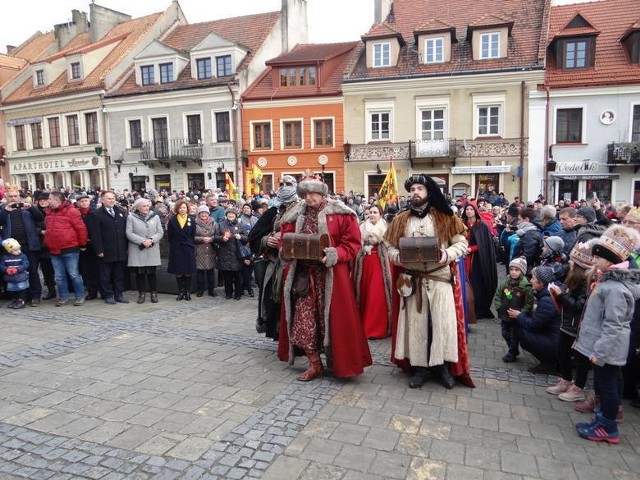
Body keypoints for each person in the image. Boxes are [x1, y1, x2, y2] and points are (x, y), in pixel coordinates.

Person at [277, 171, 372, 381]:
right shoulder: (295, 214)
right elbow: (285, 239)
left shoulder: (341, 214)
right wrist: (285, 248)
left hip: (331, 277)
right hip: (303, 277)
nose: (308, 197)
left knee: (335, 321)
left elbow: (353, 244)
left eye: (313, 193)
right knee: (304, 320)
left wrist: (335, 254)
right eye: (305, 193)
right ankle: (314, 364)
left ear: (322, 193)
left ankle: (340, 362)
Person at [384, 174, 473, 389]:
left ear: (428, 192)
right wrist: (397, 256)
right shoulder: (400, 219)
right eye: (412, 189)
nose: (415, 192)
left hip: (440, 279)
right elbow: (389, 246)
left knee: (441, 325)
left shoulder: (446, 217)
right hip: (413, 282)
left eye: (419, 189)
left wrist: (447, 255)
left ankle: (442, 367)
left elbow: (461, 243)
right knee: (417, 326)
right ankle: (420, 368)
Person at [573, 225, 640, 444]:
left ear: (610, 260)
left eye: (597, 258)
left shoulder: (614, 289)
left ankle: (608, 427)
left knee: (609, 386)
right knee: (605, 384)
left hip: (607, 350)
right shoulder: (608, 281)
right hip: (603, 348)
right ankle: (601, 420)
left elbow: (614, 325)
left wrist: (599, 352)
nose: (593, 261)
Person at [248, 175, 299, 340]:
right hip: (275, 264)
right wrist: (265, 240)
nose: (284, 187)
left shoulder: (303, 208)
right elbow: (254, 234)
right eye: (281, 184)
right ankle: (280, 335)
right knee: (274, 301)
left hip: (297, 265)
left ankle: (298, 337)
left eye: (289, 184)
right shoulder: (273, 210)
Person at [546, 241, 594, 403]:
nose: (569, 262)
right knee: (562, 352)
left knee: (580, 359)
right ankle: (566, 379)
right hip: (566, 324)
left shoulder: (584, 284)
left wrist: (561, 295)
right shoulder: (572, 279)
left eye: (573, 261)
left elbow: (578, 306)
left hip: (576, 327)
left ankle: (579, 388)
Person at [508, 266, 560, 373]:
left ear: (541, 283)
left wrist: (518, 315)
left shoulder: (546, 300)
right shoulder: (547, 294)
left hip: (554, 344)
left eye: (533, 278)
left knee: (520, 331)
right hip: (553, 338)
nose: (530, 280)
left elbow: (533, 325)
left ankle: (549, 362)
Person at [0, 185, 44, 306]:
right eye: (10, 197)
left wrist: (31, 208)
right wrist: (5, 211)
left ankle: (35, 296)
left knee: (33, 271)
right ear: (6, 197)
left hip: (29, 245)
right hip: (11, 248)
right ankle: (21, 296)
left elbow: (40, 218)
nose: (13, 199)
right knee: (15, 273)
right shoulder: (3, 208)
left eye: (15, 196)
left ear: (19, 196)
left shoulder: (26, 207)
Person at [354, 203, 392, 339]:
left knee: (377, 295)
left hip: (381, 264)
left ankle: (376, 328)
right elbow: (356, 244)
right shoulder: (361, 227)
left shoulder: (386, 228)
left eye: (375, 212)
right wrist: (363, 248)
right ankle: (363, 326)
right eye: (370, 212)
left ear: (381, 214)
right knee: (365, 293)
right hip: (365, 264)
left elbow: (391, 246)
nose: (372, 215)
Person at [43, 191, 88, 306]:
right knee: (59, 276)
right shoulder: (49, 211)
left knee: (74, 274)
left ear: (57, 200)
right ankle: (63, 297)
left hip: (70, 248)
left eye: (50, 199)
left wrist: (82, 244)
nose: (48, 201)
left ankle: (79, 296)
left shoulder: (72, 211)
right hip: (54, 249)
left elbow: (81, 229)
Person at [88, 191, 129, 305]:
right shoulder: (96, 214)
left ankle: (119, 294)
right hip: (106, 250)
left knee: (119, 274)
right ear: (102, 200)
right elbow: (95, 235)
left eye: (113, 198)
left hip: (120, 249)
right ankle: (108, 295)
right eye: (109, 198)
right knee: (105, 275)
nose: (112, 200)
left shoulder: (121, 212)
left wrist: (126, 247)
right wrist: (99, 250)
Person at [494, 256, 534, 362]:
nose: (513, 272)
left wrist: (521, 313)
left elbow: (529, 302)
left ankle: (512, 352)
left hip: (516, 317)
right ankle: (513, 350)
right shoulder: (506, 281)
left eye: (516, 270)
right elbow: (498, 293)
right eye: (511, 269)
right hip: (504, 314)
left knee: (513, 335)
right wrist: (498, 306)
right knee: (505, 333)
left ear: (522, 271)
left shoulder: (526, 286)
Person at [461, 202, 498, 319]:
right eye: (467, 209)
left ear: (475, 211)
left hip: (477, 259)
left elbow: (484, 245)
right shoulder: (462, 224)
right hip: (463, 258)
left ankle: (478, 309)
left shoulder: (482, 226)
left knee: (476, 283)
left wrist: (471, 249)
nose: (469, 211)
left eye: (471, 209)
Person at [126, 198, 164, 304]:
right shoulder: (131, 217)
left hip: (152, 248)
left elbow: (160, 232)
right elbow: (129, 233)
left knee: (152, 273)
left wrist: (151, 240)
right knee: (140, 273)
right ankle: (141, 294)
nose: (146, 208)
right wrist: (142, 241)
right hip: (138, 249)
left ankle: (154, 293)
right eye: (144, 206)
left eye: (148, 206)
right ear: (138, 207)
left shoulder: (155, 217)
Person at [214, 207, 249, 300]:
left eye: (233, 214)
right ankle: (228, 293)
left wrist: (240, 237)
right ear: (226, 215)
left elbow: (246, 238)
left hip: (237, 254)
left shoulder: (240, 225)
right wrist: (222, 238)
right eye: (229, 214)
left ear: (236, 216)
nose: (231, 215)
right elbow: (215, 237)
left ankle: (238, 294)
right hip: (224, 253)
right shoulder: (220, 224)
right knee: (227, 276)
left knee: (238, 276)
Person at [167, 199, 196, 301]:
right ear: (177, 209)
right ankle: (181, 291)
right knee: (178, 271)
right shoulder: (172, 220)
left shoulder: (191, 220)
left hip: (188, 247)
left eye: (184, 207)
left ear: (187, 209)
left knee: (188, 271)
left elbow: (193, 235)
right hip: (177, 248)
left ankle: (187, 292)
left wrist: (189, 243)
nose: (182, 209)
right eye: (180, 207)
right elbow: (169, 236)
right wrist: (175, 244)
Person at [74, 193, 100, 300]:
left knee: (98, 269)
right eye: (82, 201)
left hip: (94, 245)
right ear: (78, 203)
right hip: (82, 246)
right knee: (86, 270)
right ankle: (91, 291)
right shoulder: (76, 214)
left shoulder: (95, 213)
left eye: (86, 201)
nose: (84, 203)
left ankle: (101, 290)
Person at [194, 205, 217, 297]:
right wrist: (202, 239)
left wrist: (211, 238)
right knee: (200, 272)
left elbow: (217, 234)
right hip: (199, 249)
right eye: (202, 213)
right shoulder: (194, 223)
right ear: (199, 214)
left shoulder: (214, 223)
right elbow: (192, 236)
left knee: (210, 271)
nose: (204, 214)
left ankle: (211, 290)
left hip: (211, 249)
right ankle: (200, 290)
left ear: (208, 213)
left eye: (205, 213)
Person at [513, 207, 543, 277]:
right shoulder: (528, 232)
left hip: (525, 272)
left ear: (526, 219)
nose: (518, 222)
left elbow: (527, 256)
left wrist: (517, 269)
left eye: (520, 219)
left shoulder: (530, 234)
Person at [1, 238, 29, 309]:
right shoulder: (5, 257)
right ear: (9, 251)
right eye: (15, 250)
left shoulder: (22, 256)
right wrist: (6, 269)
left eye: (19, 249)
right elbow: (1, 265)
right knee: (12, 289)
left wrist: (18, 269)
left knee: (21, 289)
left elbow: (26, 264)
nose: (18, 251)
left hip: (20, 276)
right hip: (10, 277)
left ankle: (21, 300)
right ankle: (14, 300)